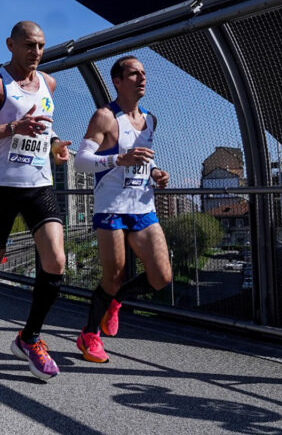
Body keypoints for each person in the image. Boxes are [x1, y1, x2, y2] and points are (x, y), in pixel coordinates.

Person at [0, 21, 72, 381]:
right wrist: (11, 128)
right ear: (10, 44)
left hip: (39, 185)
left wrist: (55, 146)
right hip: (2, 186)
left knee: (56, 260)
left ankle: (30, 338)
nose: (36, 52)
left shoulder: (49, 83)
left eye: (41, 45)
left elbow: (45, 127)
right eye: (29, 45)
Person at [73, 55, 171, 364]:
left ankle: (115, 303)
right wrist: (118, 159)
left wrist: (156, 172)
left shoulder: (150, 120)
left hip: (142, 207)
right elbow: (81, 161)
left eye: (143, 73)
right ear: (117, 81)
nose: (142, 78)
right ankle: (89, 335)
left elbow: (146, 158)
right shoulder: (105, 116)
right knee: (113, 276)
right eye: (133, 74)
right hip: (112, 207)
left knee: (162, 277)